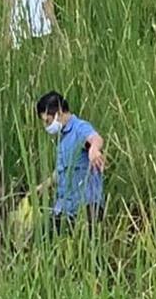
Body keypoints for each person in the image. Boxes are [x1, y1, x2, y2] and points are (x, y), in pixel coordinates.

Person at [34, 91, 105, 235]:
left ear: (59, 112)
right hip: (65, 208)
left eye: (47, 121)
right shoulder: (62, 139)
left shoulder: (79, 128)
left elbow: (95, 138)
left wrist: (94, 150)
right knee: (44, 237)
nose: (46, 127)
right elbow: (61, 173)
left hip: (86, 207)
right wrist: (42, 187)